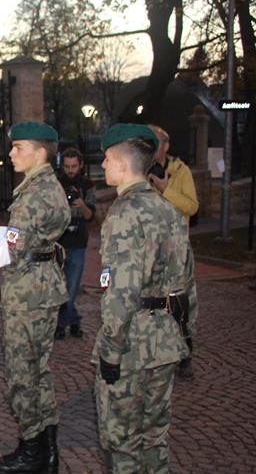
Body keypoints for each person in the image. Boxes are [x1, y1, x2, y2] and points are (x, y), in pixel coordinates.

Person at [93, 123, 196, 473]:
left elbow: (121, 291)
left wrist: (110, 349)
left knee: (121, 440)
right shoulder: (168, 209)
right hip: (164, 339)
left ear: (123, 164)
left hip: (131, 344)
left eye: (107, 159)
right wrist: (184, 335)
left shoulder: (123, 213)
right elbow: (188, 281)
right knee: (154, 436)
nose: (103, 165)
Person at [0, 121, 70, 473]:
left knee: (22, 373)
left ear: (40, 152)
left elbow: (13, 246)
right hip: (41, 284)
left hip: (28, 289)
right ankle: (46, 452)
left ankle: (32, 449)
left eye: (18, 147)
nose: (11, 153)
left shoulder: (34, 194)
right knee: (39, 371)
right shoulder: (49, 186)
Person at [148, 124, 199, 378]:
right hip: (150, 249)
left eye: (155, 142)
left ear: (166, 146)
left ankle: (184, 351)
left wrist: (166, 189)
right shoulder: (140, 171)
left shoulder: (180, 172)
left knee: (180, 302)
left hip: (177, 250)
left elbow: (191, 206)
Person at [55, 147, 96, 340]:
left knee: (71, 287)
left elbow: (90, 216)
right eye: (67, 166)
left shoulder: (87, 184)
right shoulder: (55, 183)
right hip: (58, 242)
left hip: (78, 241)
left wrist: (82, 205)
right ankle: (74, 320)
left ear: (80, 165)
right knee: (60, 286)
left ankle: (60, 324)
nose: (70, 170)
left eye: (74, 166)